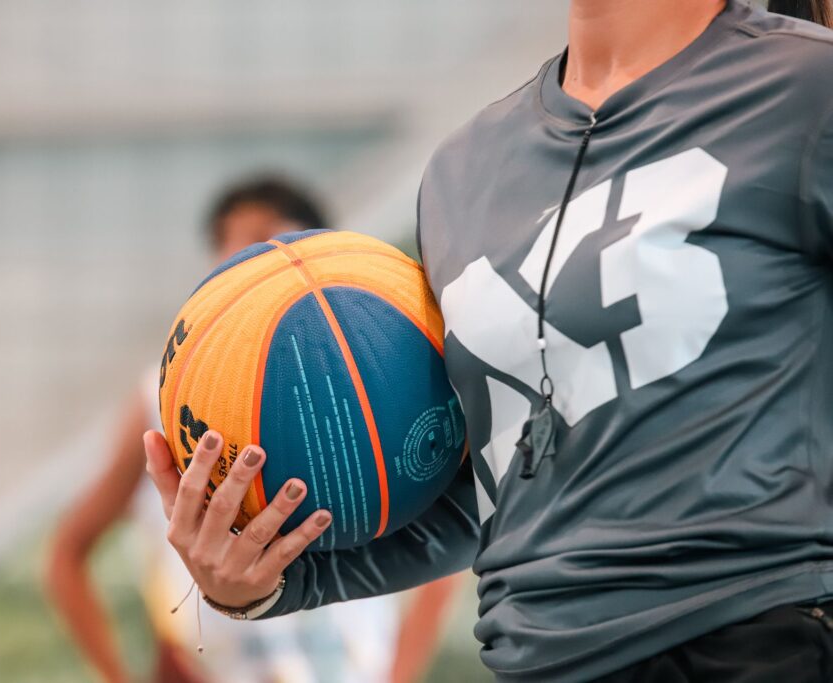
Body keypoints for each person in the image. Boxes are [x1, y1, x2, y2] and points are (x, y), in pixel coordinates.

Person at [142, 2, 833, 681]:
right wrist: (259, 578)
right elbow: (496, 486)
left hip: (760, 636)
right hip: (535, 658)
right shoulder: (461, 173)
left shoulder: (803, 90)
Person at [45, 174, 459, 683]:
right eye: (226, 244)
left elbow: (448, 535)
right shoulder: (161, 393)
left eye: (264, 235)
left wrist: (401, 673)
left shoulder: (385, 377)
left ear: (312, 251)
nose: (239, 253)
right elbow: (68, 551)